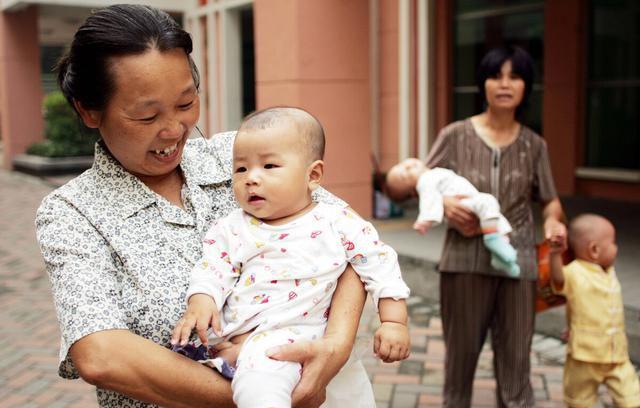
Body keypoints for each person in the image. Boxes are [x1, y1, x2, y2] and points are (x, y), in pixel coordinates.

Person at [35, 5, 373, 407]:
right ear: (89, 111)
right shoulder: (73, 212)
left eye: (185, 103)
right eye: (147, 116)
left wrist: (336, 345)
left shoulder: (240, 157)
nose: (174, 129)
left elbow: (350, 238)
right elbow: (101, 354)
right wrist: (262, 394)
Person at [171, 107, 411, 407]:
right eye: (241, 169)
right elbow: (212, 268)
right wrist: (201, 300)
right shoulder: (233, 227)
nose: (251, 179)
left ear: (313, 175)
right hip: (252, 341)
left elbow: (379, 264)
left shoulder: (339, 222)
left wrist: (393, 321)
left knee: (346, 397)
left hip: (310, 337)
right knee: (260, 385)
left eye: (269, 166)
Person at [424, 45, 567, 407]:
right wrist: (443, 204)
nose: (504, 84)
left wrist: (553, 223)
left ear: (526, 86)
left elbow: (550, 200)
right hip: (462, 263)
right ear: (482, 84)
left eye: (515, 76)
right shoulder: (454, 135)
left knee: (517, 362)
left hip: (519, 265)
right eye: (495, 75)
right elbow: (422, 181)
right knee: (460, 364)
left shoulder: (535, 145)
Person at [549, 214, 640, 408]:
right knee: (580, 399)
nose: (616, 248)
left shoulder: (608, 271)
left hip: (617, 355)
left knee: (631, 396)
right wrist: (555, 255)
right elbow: (558, 279)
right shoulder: (575, 272)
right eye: (613, 243)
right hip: (585, 355)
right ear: (594, 250)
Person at [386, 158, 519, 277]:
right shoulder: (425, 180)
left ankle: (501, 258)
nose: (408, 167)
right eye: (404, 175)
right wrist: (425, 220)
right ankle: (492, 239)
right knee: (489, 202)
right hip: (464, 202)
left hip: (470, 199)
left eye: (403, 164)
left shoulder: (431, 173)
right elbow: (429, 201)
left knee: (499, 220)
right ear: (413, 192)